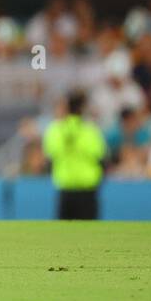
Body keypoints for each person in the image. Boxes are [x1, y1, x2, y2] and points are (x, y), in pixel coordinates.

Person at [42, 91, 107, 220]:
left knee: (64, 235)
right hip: (88, 187)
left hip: (65, 187)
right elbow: (100, 157)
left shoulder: (55, 130)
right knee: (89, 233)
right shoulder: (90, 130)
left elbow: (50, 156)